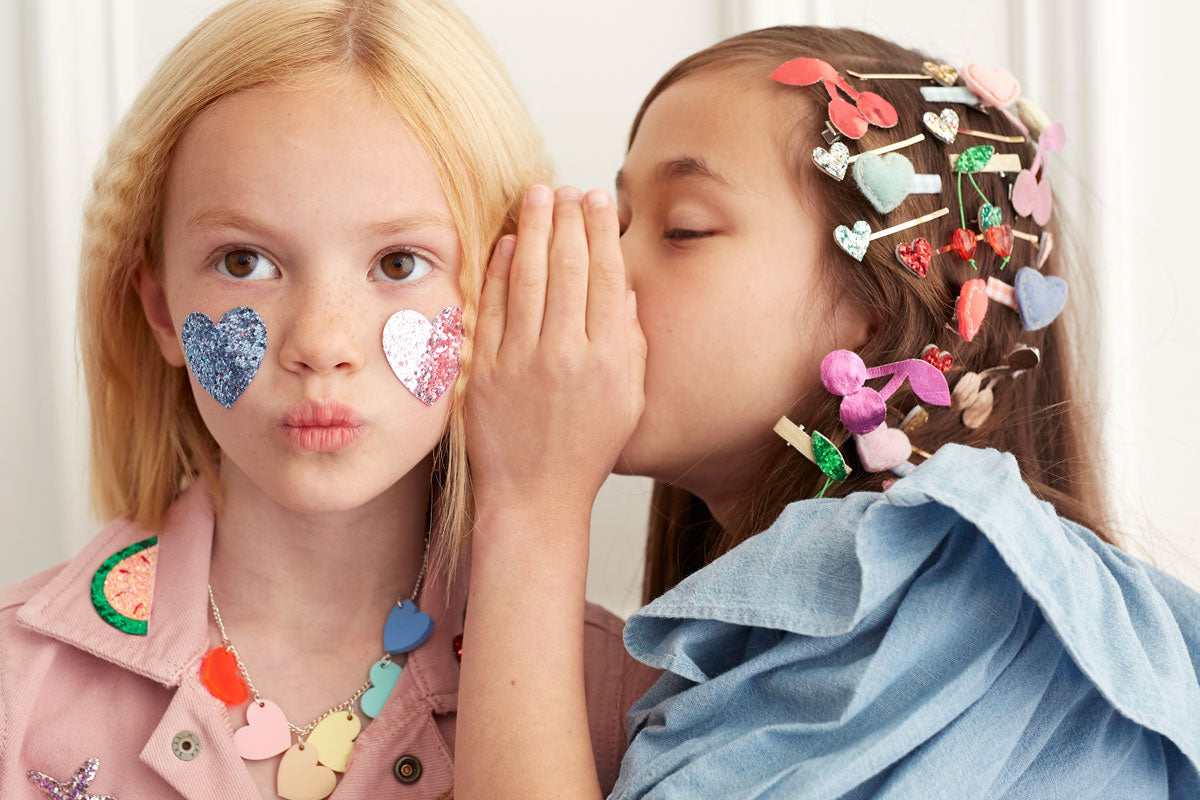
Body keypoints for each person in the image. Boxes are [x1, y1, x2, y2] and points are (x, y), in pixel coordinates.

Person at [456, 26, 1200, 799]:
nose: (607, 267)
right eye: (620, 225)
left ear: (879, 315)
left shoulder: (947, 623)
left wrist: (533, 507)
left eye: (683, 228)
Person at [0, 2, 658, 798]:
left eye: (398, 263)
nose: (320, 341)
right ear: (160, 308)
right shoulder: (17, 685)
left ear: (498, 288)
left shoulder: (626, 703)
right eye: (244, 261)